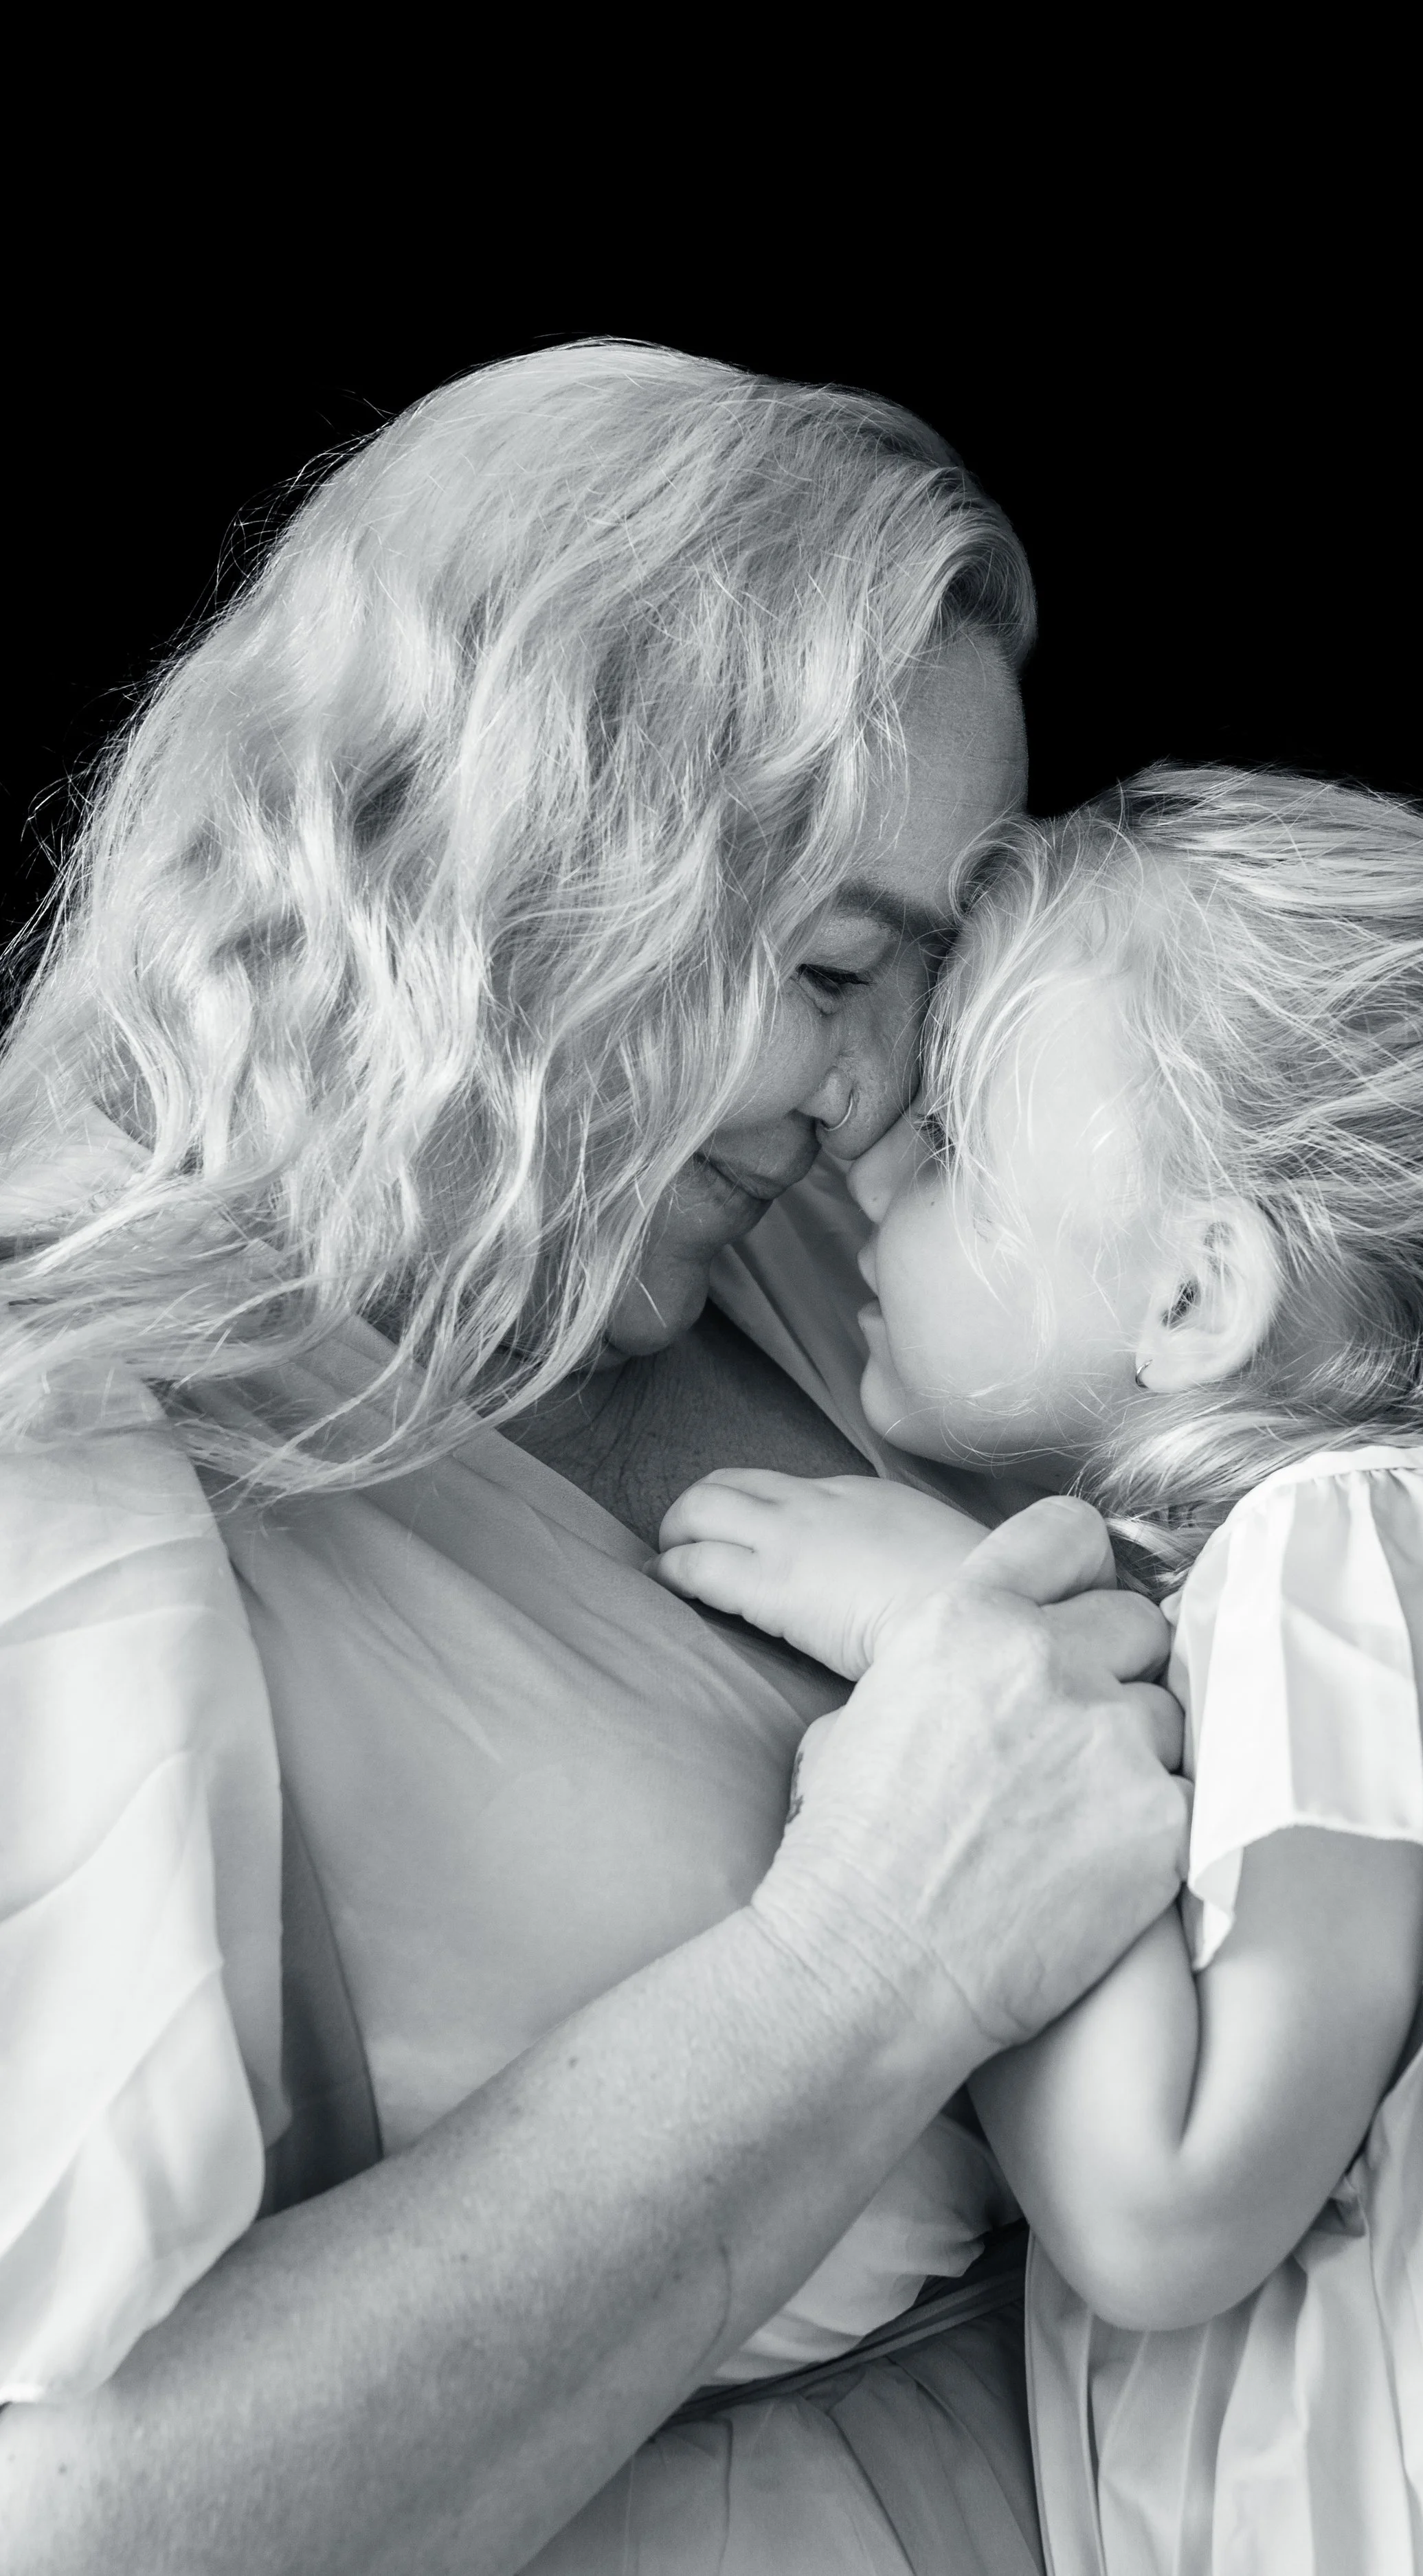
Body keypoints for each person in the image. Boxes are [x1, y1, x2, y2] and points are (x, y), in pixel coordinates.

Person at [0, 348, 1191, 2575]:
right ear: (513, 868)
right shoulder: (66, 1423)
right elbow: (82, 2517)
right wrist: (867, 1961)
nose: (872, 1088)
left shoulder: (820, 1258)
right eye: (836, 962)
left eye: (917, 986)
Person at [659, 766, 1423, 2573]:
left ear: (1188, 1302)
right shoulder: (1415, 1573)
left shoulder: (1361, 1549)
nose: (865, 1171)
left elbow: (1167, 2204)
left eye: (954, 1150)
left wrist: (950, 1644)